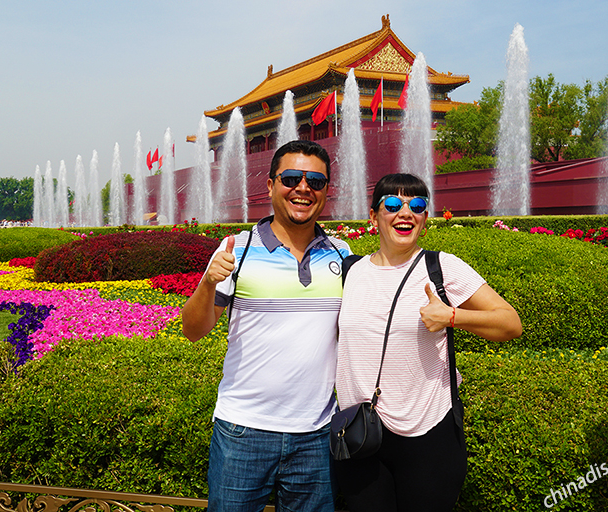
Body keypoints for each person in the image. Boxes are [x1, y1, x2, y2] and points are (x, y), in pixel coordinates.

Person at [334, 173, 522, 512]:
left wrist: (453, 317)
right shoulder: (349, 272)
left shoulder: (441, 267)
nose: (405, 212)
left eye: (417, 205)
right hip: (359, 434)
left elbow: (510, 322)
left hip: (429, 434)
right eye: (392, 204)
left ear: (425, 219)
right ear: (373, 217)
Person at [181, 139, 351, 512]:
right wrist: (209, 282)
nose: (303, 188)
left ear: (326, 192)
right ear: (271, 185)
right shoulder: (236, 249)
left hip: (316, 434)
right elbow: (193, 330)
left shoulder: (342, 255)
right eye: (291, 178)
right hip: (244, 429)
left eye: (315, 182)